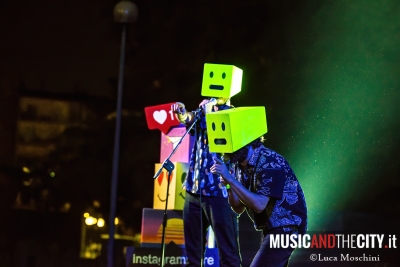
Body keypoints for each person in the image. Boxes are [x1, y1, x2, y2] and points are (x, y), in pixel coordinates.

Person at [210, 137, 307, 267]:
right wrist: (229, 185)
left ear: (247, 142)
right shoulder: (240, 164)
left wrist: (230, 179)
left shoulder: (269, 161)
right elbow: (238, 207)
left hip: (287, 227)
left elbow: (259, 205)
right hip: (271, 228)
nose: (228, 152)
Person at [172, 98, 242, 267]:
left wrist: (210, 113)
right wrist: (181, 114)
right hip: (194, 191)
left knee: (228, 254)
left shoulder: (232, 114)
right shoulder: (202, 112)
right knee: (192, 256)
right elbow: (189, 118)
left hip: (219, 192)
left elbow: (221, 138)